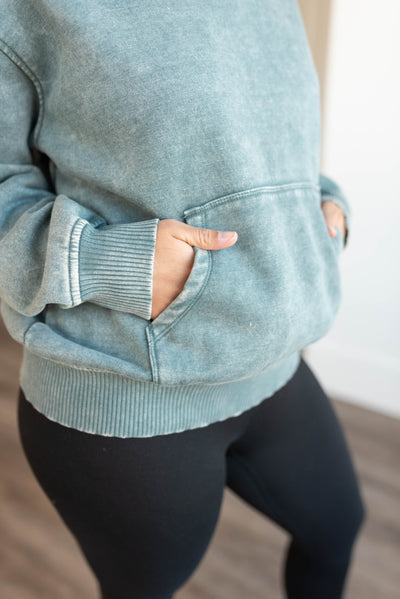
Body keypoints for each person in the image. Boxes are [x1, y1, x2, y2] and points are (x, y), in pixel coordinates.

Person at [0, 1, 365, 597]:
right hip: (127, 388)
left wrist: (323, 207)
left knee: (337, 528)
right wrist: (109, 263)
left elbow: (257, 147)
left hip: (273, 360)